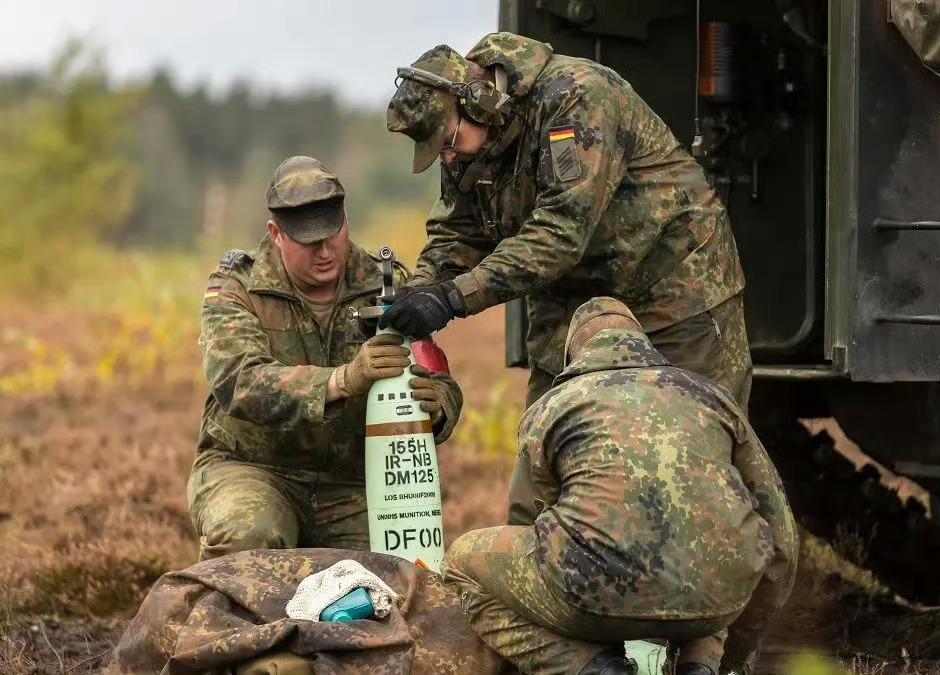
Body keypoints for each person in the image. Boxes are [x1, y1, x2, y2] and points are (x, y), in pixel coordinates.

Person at [383, 32, 752, 410]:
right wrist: (421, 291)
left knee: (690, 441)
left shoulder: (578, 97)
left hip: (672, 294)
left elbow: (560, 232)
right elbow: (458, 230)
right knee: (552, 443)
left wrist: (454, 297)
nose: (447, 158)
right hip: (572, 306)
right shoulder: (463, 146)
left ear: (479, 103)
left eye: (448, 141)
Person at [441, 298, 798, 675]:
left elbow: (525, 522)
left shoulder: (552, 406)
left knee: (463, 561)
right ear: (643, 344)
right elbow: (782, 540)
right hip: (714, 599)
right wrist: (735, 657)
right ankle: (700, 668)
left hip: (593, 594)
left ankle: (594, 668)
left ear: (575, 354)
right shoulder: (712, 397)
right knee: (714, 541)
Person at [189, 155, 463, 560]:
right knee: (249, 538)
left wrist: (437, 407)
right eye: (307, 240)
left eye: (332, 234)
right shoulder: (237, 289)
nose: (325, 252)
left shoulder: (387, 285)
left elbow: (438, 376)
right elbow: (239, 381)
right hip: (253, 468)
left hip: (355, 484)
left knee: (403, 573)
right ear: (276, 233)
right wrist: (341, 381)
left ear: (345, 219)